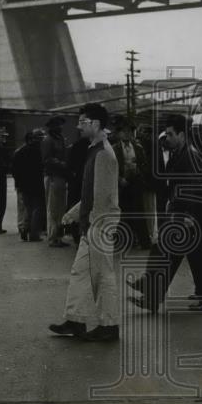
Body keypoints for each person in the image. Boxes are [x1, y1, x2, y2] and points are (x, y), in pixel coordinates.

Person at [126, 114, 202, 313]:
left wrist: (187, 216)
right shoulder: (180, 153)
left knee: (169, 250)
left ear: (182, 135)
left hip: (190, 214)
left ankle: (152, 290)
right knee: (185, 255)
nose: (166, 138)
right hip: (186, 214)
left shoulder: (190, 156)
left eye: (170, 134)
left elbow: (194, 188)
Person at [49, 103, 122, 342]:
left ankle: (109, 325)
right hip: (94, 223)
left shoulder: (103, 153)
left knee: (102, 276)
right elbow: (92, 193)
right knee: (81, 272)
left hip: (98, 225)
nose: (79, 126)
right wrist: (73, 213)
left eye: (82, 122)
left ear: (96, 124)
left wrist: (90, 226)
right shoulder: (96, 149)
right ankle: (75, 320)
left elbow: (101, 198)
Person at [111, 117, 152, 250]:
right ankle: (122, 242)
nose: (127, 133)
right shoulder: (114, 149)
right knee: (121, 214)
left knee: (139, 212)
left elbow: (145, 166)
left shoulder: (138, 148)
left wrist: (138, 172)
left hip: (135, 184)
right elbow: (111, 168)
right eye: (124, 131)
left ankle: (143, 241)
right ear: (119, 133)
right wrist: (119, 179)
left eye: (129, 131)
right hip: (121, 186)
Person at [41, 115, 70, 247]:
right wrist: (61, 164)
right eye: (58, 124)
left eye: (61, 124)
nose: (60, 127)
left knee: (60, 208)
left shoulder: (61, 139)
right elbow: (46, 160)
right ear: (52, 127)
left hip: (61, 177)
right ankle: (53, 237)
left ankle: (58, 236)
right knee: (52, 208)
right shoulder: (48, 140)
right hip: (53, 176)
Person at [12, 129, 44, 241]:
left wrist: (19, 183)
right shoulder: (39, 152)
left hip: (23, 185)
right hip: (36, 184)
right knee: (36, 209)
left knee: (27, 208)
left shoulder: (20, 152)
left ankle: (24, 229)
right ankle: (34, 234)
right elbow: (41, 169)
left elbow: (14, 170)